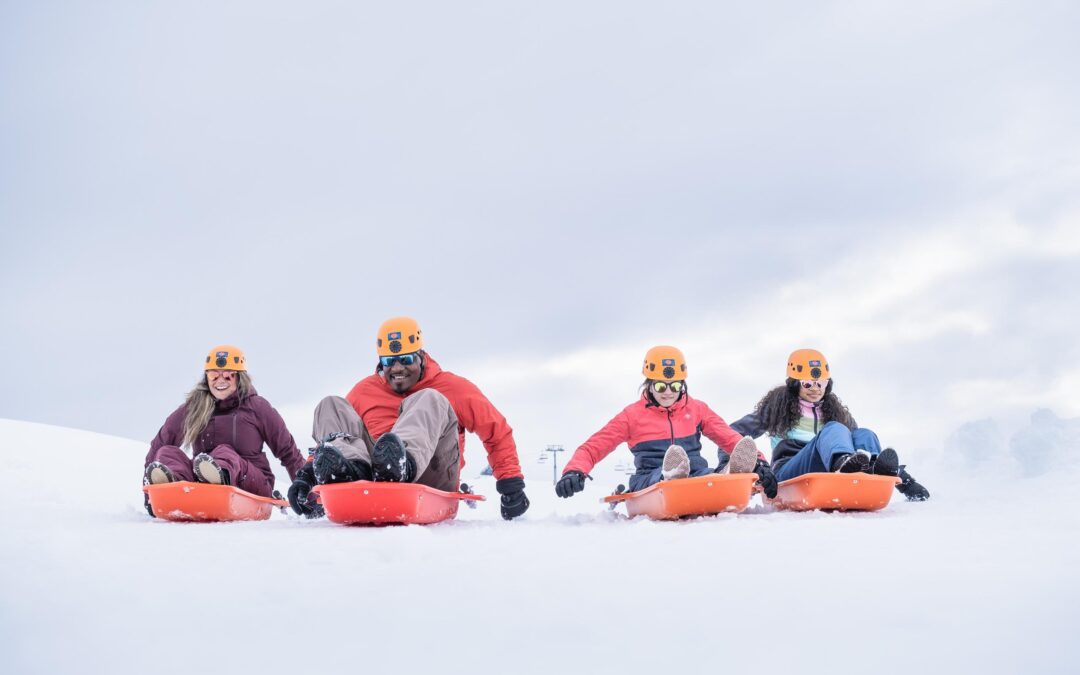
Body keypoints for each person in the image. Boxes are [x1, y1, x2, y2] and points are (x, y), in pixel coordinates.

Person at [288, 317, 530, 520]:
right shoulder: (365, 391)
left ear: (421, 356)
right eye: (388, 362)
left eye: (405, 360)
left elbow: (496, 431)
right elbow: (338, 433)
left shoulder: (453, 388)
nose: (397, 368)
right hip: (375, 475)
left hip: (431, 475)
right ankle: (349, 472)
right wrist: (307, 475)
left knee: (430, 399)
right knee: (331, 405)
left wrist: (511, 485)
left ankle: (401, 464)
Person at [554, 346, 777, 499]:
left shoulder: (696, 409)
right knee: (664, 477)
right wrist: (574, 470)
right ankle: (672, 474)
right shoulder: (632, 416)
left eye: (675, 385)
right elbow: (594, 447)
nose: (668, 392)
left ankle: (726, 475)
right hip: (650, 479)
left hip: (695, 476)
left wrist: (760, 463)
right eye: (661, 386)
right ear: (649, 384)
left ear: (683, 384)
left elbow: (731, 439)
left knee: (705, 475)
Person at [731, 348, 930, 500]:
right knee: (834, 429)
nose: (815, 389)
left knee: (864, 434)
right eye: (807, 383)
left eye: (821, 383)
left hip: (826, 471)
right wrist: (754, 467)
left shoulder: (833, 410)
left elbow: (860, 440)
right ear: (794, 384)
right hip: (789, 470)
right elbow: (732, 434)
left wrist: (906, 482)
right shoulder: (777, 407)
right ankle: (841, 462)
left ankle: (876, 472)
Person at [143, 345, 306, 515]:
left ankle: (219, 477)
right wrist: (148, 497)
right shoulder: (194, 408)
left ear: (239, 377)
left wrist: (307, 493)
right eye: (214, 374)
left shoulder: (257, 407)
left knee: (223, 452)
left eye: (228, 375)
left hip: (253, 483)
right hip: (202, 485)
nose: (220, 380)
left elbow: (288, 452)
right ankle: (171, 485)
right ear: (206, 378)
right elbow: (160, 443)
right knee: (166, 453)